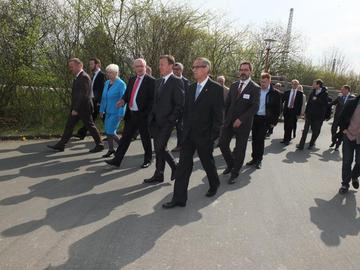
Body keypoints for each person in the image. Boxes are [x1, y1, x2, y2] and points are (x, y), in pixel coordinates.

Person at [162, 57, 224, 208]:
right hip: (188, 135)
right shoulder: (190, 87)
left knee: (207, 162)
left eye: (197, 67)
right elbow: (186, 111)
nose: (194, 70)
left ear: (206, 69)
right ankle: (179, 199)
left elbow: (218, 116)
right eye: (193, 67)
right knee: (183, 167)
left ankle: (214, 183)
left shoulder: (215, 89)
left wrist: (213, 137)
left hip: (205, 136)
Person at [104, 58, 155, 168]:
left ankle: (148, 159)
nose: (140, 68)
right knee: (125, 138)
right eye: (137, 66)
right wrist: (123, 100)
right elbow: (127, 94)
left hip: (143, 116)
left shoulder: (151, 81)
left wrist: (147, 114)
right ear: (134, 68)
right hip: (131, 114)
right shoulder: (132, 79)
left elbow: (153, 100)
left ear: (145, 67)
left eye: (142, 66)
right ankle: (117, 160)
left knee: (145, 138)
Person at [47, 58, 104, 152]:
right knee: (69, 125)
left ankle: (100, 145)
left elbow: (83, 95)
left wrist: (76, 109)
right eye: (70, 67)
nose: (70, 69)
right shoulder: (78, 76)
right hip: (78, 107)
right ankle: (61, 145)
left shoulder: (84, 77)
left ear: (79, 65)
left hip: (83, 107)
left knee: (90, 126)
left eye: (72, 66)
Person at [143, 55, 184, 184]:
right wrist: (151, 117)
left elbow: (179, 105)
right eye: (159, 64)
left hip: (167, 122)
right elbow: (155, 102)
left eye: (162, 64)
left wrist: (171, 120)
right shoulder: (158, 81)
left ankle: (175, 167)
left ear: (170, 66)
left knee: (160, 146)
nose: (159, 67)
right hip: (155, 122)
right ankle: (159, 174)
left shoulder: (177, 81)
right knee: (160, 148)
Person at [219, 61, 260, 184]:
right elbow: (227, 103)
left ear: (250, 71)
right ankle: (231, 164)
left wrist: (241, 119)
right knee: (222, 144)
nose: (243, 72)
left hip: (244, 123)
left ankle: (235, 173)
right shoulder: (234, 85)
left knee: (240, 149)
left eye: (246, 70)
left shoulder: (255, 88)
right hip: (229, 121)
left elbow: (255, 107)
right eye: (241, 69)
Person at [246, 73, 281, 169]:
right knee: (254, 139)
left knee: (260, 140)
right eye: (261, 81)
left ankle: (259, 160)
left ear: (269, 81)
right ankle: (254, 158)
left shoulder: (275, 93)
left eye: (264, 82)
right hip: (255, 118)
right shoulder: (256, 90)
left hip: (265, 119)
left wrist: (274, 122)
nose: (262, 84)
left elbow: (277, 109)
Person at [99, 64, 126, 157]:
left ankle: (122, 148)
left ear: (116, 73)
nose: (108, 74)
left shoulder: (121, 84)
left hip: (116, 112)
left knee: (110, 131)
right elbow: (104, 98)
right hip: (107, 111)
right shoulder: (107, 83)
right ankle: (111, 149)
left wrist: (121, 113)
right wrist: (101, 110)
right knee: (108, 131)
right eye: (108, 72)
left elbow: (124, 100)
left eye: (111, 72)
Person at [75, 58, 106, 140]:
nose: (90, 66)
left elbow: (101, 89)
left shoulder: (101, 75)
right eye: (90, 64)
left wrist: (99, 101)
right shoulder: (93, 75)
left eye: (92, 64)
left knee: (102, 118)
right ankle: (82, 133)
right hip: (93, 100)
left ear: (97, 65)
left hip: (98, 101)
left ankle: (111, 134)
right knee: (91, 118)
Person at [297, 79, 329, 150]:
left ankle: (311, 144)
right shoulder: (312, 92)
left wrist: (317, 99)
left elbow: (325, 104)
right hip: (309, 115)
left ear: (318, 85)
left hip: (318, 117)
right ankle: (301, 145)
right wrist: (305, 113)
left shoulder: (325, 93)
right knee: (305, 131)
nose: (312, 85)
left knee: (316, 131)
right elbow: (308, 104)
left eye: (314, 84)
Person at [337, 95, 360, 194]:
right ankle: (345, 184)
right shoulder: (352, 102)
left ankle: (354, 175)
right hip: (348, 136)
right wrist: (344, 130)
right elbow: (342, 117)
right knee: (347, 161)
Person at [171, 62, 190, 152]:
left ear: (182, 70)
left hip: (182, 110)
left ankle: (180, 145)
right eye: (174, 69)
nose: (175, 71)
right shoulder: (169, 80)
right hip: (170, 109)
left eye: (178, 69)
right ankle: (162, 145)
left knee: (179, 128)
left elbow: (187, 97)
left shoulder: (185, 82)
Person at [330, 85, 355, 151]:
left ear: (347, 90)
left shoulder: (352, 98)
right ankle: (334, 141)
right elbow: (332, 103)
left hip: (345, 120)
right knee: (333, 130)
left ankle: (337, 145)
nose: (341, 90)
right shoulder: (339, 97)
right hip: (337, 117)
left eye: (342, 89)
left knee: (341, 132)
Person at [281, 79, 303, 145]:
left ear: (298, 85)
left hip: (294, 111)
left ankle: (287, 139)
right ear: (291, 84)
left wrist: (298, 114)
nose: (295, 85)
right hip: (287, 110)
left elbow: (300, 104)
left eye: (296, 84)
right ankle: (285, 138)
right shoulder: (287, 92)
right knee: (285, 125)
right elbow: (282, 100)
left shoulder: (300, 94)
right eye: (293, 84)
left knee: (290, 125)